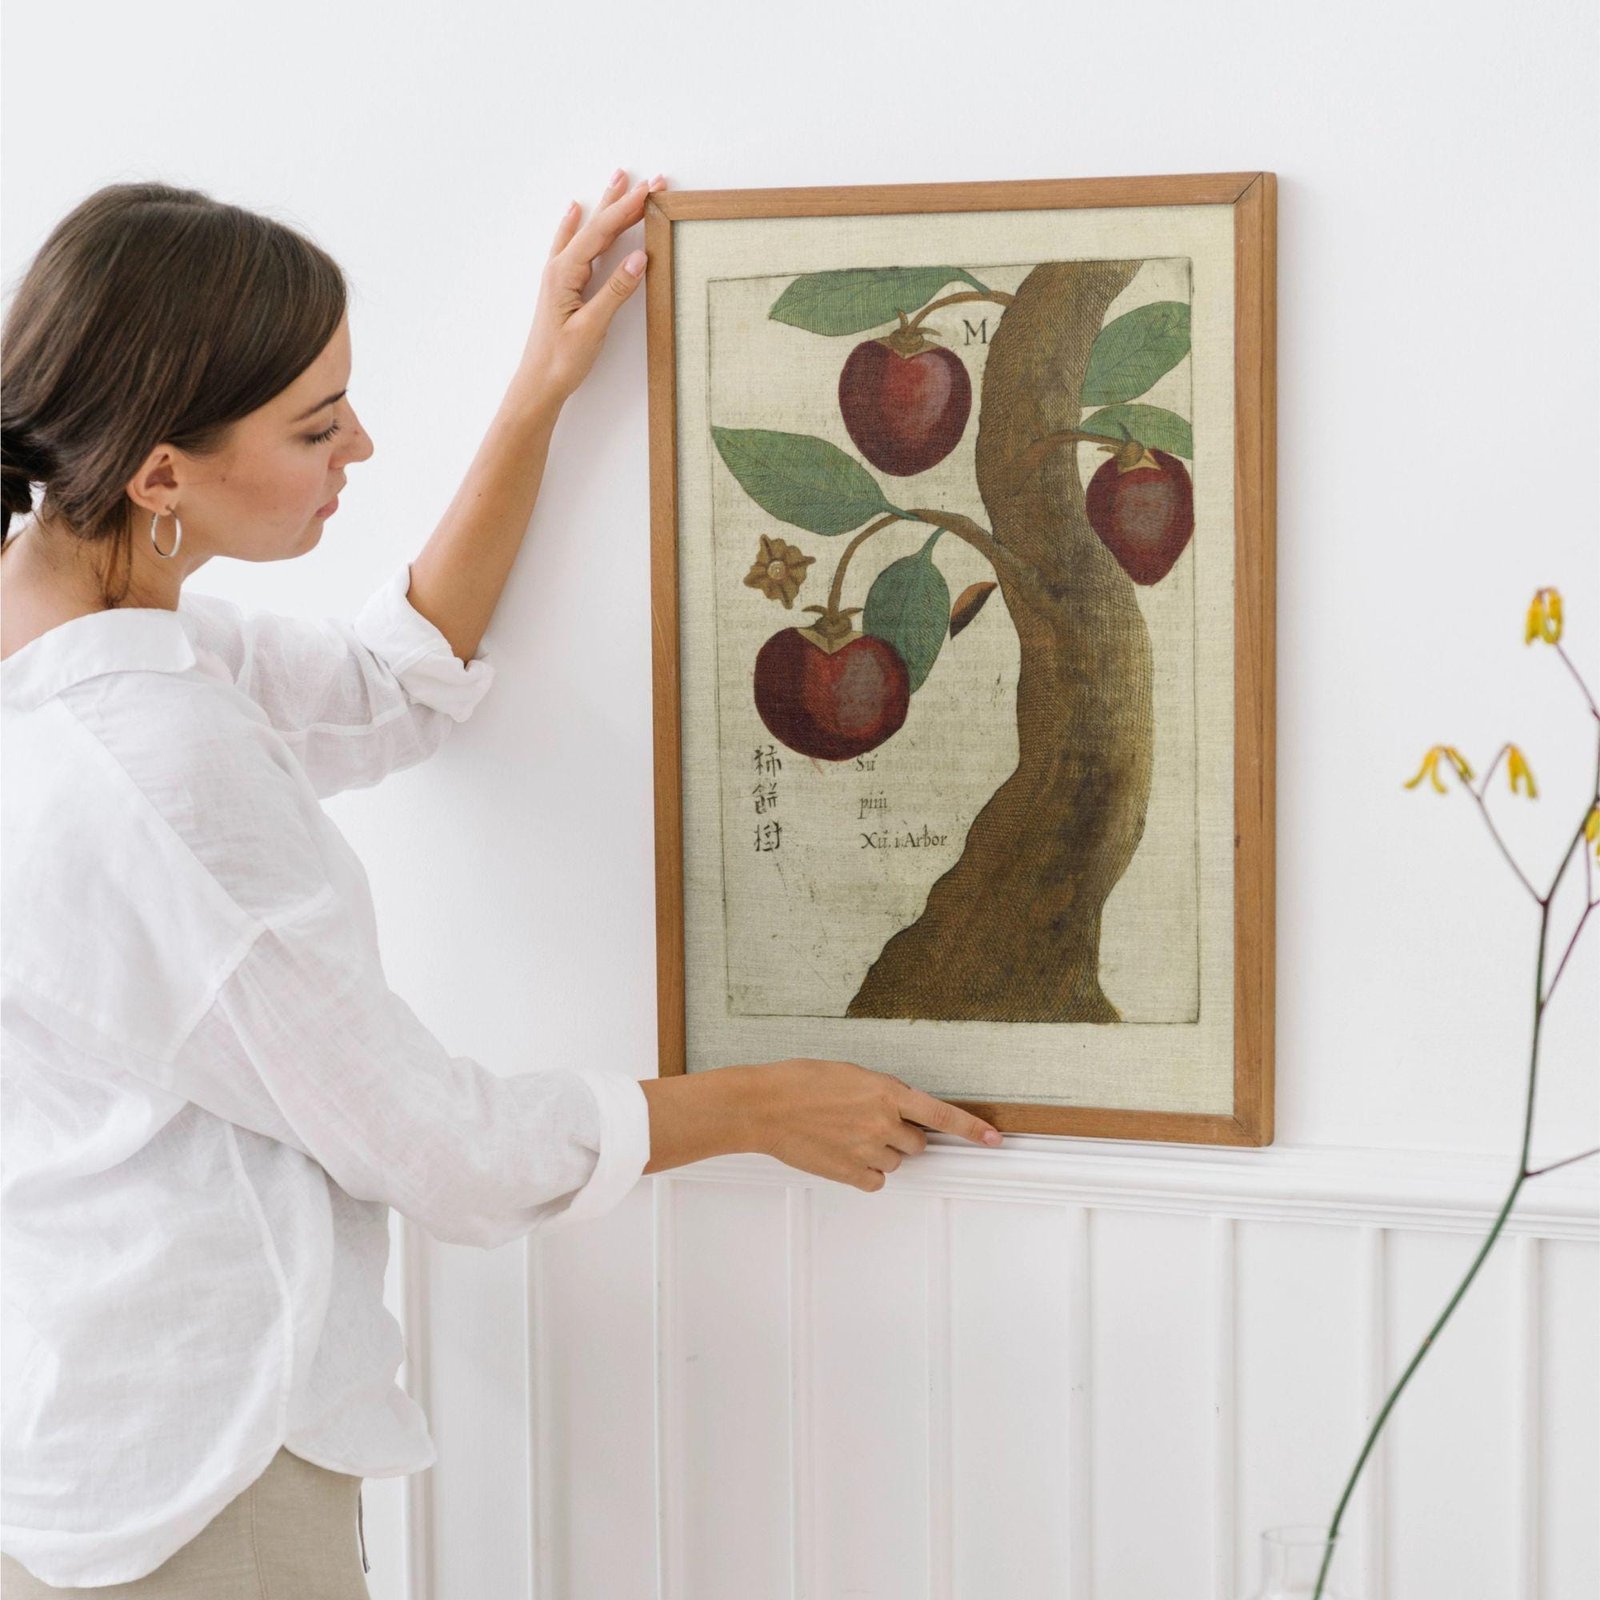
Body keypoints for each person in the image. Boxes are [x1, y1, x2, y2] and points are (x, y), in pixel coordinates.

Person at [0, 173, 1003, 1596]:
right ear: (160, 474)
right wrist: (754, 1107)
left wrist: (541, 393)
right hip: (193, 1489)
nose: (362, 440)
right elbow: (433, 1143)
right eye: (312, 424)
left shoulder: (72, 634)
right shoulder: (152, 773)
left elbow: (383, 684)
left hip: (75, 1428)